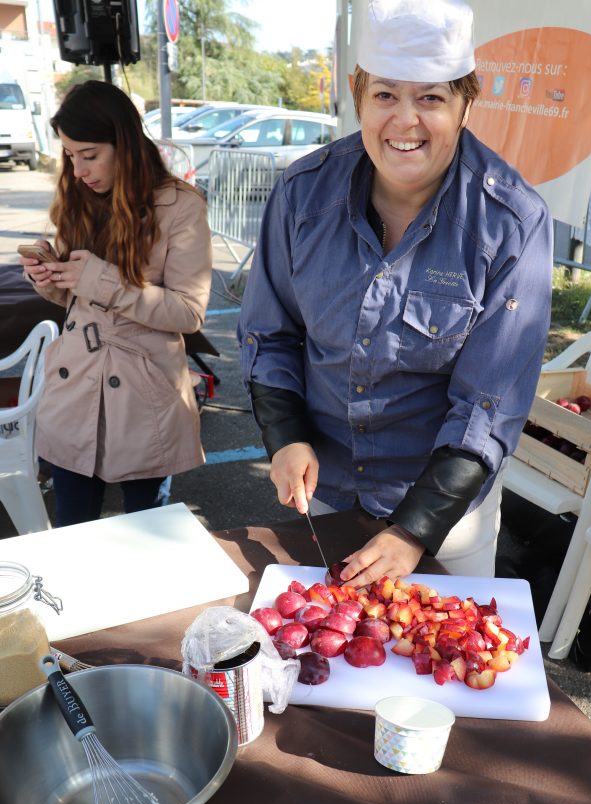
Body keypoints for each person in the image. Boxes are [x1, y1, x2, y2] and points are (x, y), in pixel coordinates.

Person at [237, 0, 553, 588]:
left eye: (431, 97)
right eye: (385, 95)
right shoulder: (301, 195)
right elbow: (270, 333)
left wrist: (412, 531)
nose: (405, 122)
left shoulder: (511, 222)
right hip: (326, 495)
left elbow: (487, 405)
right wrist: (286, 437)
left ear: (466, 104)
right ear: (357, 96)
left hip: (444, 520)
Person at [19, 80, 212, 527]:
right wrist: (49, 279)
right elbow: (73, 301)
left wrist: (100, 280)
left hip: (144, 393)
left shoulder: (180, 206)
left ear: (123, 144)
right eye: (70, 155)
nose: (78, 169)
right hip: (74, 384)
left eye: (89, 154)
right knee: (72, 532)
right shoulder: (77, 198)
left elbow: (188, 312)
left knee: (144, 535)